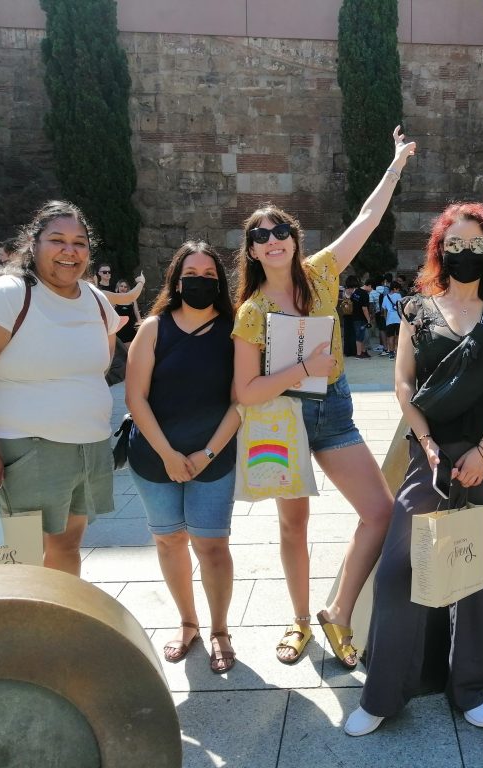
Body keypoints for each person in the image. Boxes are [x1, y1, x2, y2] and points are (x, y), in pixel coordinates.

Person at [233, 126, 415, 669]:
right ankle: (299, 620)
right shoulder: (251, 311)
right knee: (294, 525)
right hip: (280, 421)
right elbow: (245, 391)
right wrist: (302, 368)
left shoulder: (322, 275)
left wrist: (396, 164)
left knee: (380, 512)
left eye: (281, 230)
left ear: (294, 238)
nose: (272, 240)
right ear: (252, 249)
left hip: (332, 412)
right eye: (261, 235)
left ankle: (337, 610)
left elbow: (367, 220)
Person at [344, 201, 483, 737]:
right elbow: (403, 383)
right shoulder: (417, 310)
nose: (465, 254)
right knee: (400, 568)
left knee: (479, 571)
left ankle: (469, 687)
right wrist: (426, 443)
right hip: (431, 451)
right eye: (456, 245)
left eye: (477, 246)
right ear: (440, 249)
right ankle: (383, 693)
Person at [0, 200, 119, 576]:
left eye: (80, 243)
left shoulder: (95, 300)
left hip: (88, 446)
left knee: (67, 545)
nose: (69, 250)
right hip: (28, 448)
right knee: (21, 553)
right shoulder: (9, 294)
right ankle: (25, 631)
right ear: (34, 243)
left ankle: (58, 627)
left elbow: (100, 364)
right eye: (57, 240)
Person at [126, 241, 241, 674]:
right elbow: (136, 398)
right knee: (169, 540)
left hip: (214, 457)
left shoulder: (235, 331)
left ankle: (220, 629)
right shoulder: (154, 328)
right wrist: (169, 455)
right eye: (191, 273)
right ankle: (188, 623)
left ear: (220, 282)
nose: (200, 281)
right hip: (155, 457)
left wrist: (208, 453)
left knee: (212, 546)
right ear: (176, 279)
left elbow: (240, 401)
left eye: (210, 275)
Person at [381, 278, 403, 359]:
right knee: (398, 336)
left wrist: (386, 318)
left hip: (389, 320)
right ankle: (397, 353)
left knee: (390, 337)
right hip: (398, 319)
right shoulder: (398, 296)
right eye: (398, 289)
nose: (398, 290)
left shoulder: (385, 297)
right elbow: (401, 307)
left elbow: (384, 309)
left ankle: (391, 353)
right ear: (394, 289)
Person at [114, 279, 141, 346]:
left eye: (125, 287)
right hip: (119, 329)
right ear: (118, 287)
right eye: (121, 286)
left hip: (130, 328)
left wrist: (140, 324)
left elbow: (137, 312)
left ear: (127, 289)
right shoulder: (113, 299)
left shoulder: (132, 299)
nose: (123, 288)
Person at [352, 276, 373, 358]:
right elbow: (364, 308)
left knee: (363, 335)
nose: (371, 291)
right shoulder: (365, 294)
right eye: (372, 288)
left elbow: (352, 300)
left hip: (355, 316)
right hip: (361, 318)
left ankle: (363, 351)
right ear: (369, 286)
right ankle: (359, 353)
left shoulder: (356, 291)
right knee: (360, 336)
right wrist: (368, 319)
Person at [340, 275, 359, 357]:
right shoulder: (355, 291)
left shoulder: (344, 291)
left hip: (345, 314)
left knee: (346, 333)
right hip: (354, 314)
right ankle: (354, 350)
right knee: (354, 333)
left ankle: (347, 351)